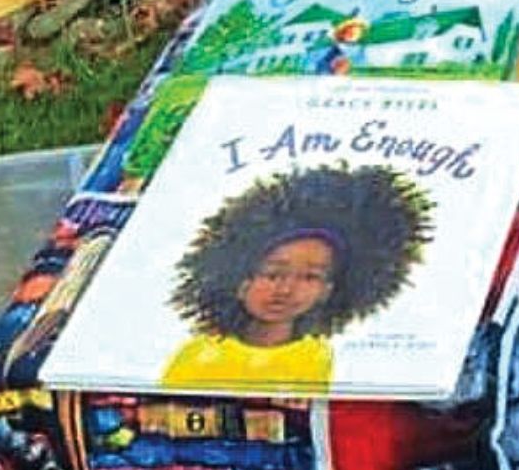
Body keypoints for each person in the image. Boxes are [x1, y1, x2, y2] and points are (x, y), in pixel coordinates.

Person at [160, 166, 426, 389]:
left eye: (310, 277)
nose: (286, 290)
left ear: (327, 290)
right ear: (241, 282)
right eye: (272, 274)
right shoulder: (199, 354)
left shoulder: (317, 356)